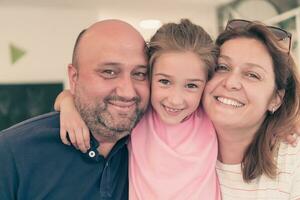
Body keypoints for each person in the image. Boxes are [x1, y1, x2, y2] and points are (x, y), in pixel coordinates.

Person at [55, 19, 221, 199]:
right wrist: (68, 104)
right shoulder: (141, 115)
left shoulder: (211, 116)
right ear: (148, 77)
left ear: (206, 84)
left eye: (191, 86)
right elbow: (71, 93)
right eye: (164, 81)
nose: (175, 99)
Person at [0, 19, 149, 200]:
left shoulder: (158, 146)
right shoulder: (11, 153)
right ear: (74, 77)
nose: (127, 92)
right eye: (109, 72)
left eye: (140, 74)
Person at [203, 19, 300, 199]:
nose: (231, 82)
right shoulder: (172, 146)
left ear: (275, 99)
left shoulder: (293, 161)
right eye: (222, 67)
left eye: (252, 75)